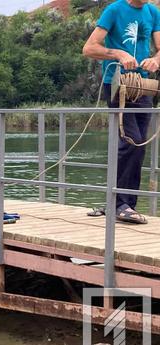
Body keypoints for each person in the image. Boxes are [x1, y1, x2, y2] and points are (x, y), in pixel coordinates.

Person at [83, 0, 160, 224]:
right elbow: (89, 48)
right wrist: (118, 53)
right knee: (131, 141)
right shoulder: (114, 10)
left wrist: (155, 60)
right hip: (117, 84)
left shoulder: (152, 12)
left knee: (139, 145)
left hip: (143, 86)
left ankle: (122, 204)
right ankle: (120, 205)